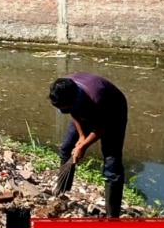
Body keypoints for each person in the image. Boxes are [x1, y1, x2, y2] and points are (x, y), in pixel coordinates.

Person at [48, 73, 128, 218]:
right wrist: (81, 136)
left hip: (113, 112)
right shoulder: (64, 90)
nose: (64, 110)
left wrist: (83, 146)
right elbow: (73, 112)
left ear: (74, 100)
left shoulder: (98, 99)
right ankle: (62, 193)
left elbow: (102, 127)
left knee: (112, 163)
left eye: (65, 108)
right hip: (82, 106)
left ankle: (112, 216)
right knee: (67, 148)